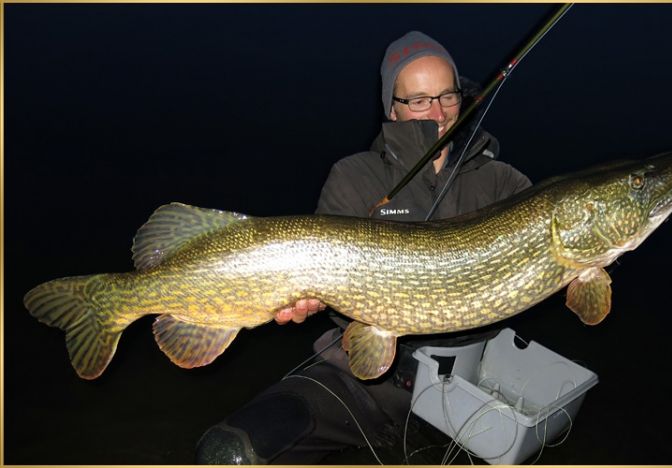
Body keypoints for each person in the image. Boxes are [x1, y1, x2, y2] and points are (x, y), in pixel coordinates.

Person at [195, 30, 531, 465]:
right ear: (393, 108)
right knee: (229, 453)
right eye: (419, 100)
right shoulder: (354, 177)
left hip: (470, 380)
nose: (439, 112)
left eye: (448, 95)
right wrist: (307, 302)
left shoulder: (504, 182)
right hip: (362, 379)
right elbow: (327, 294)